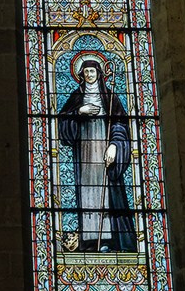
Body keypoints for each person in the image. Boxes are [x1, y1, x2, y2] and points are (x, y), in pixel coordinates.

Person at [57, 59, 136, 252]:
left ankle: (111, 240)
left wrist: (115, 146)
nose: (90, 75)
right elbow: (62, 123)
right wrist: (79, 112)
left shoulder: (110, 97)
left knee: (109, 194)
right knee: (87, 193)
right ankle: (91, 241)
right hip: (85, 153)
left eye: (92, 71)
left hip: (104, 151)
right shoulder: (77, 96)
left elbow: (121, 124)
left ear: (99, 73)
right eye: (86, 72)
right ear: (81, 75)